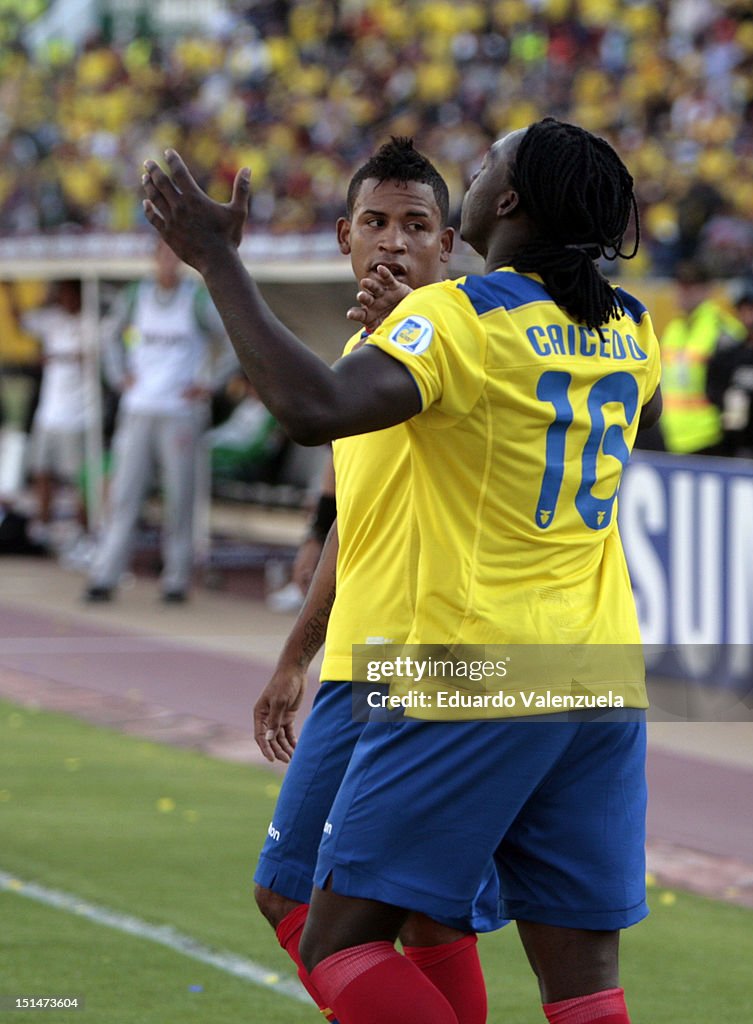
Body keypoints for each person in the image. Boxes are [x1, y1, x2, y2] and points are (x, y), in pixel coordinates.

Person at [142, 116, 662, 1024]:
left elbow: (310, 408)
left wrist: (219, 263)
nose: (477, 163)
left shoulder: (453, 320)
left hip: (463, 661)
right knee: (584, 984)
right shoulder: (634, 330)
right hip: (598, 672)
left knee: (339, 939)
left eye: (489, 158)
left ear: (502, 203)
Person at [253, 138, 501, 1024]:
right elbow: (352, 528)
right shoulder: (367, 355)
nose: (392, 242)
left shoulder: (470, 345)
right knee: (424, 917)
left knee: (303, 904)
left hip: (432, 667)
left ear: (450, 246)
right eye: (375, 222)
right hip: (365, 663)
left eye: (416, 225)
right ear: (343, 237)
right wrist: (294, 657)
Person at [83, 239, 235, 603]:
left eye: (174, 256)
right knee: (124, 494)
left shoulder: (196, 298)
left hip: (180, 412)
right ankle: (106, 573)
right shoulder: (137, 295)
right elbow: (108, 337)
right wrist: (119, 376)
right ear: (153, 259)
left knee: (180, 497)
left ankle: (176, 579)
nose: (168, 262)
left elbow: (231, 341)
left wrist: (208, 383)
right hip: (139, 408)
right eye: (162, 255)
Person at [19, 280, 89, 541]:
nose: (65, 299)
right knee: (41, 469)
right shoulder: (52, 319)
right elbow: (22, 322)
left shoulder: (91, 322)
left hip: (79, 415)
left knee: (79, 478)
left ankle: (84, 529)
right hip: (49, 412)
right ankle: (43, 523)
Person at [659, 259, 743, 455]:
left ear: (707, 289)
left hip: (710, 438)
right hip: (672, 436)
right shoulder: (674, 329)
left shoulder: (724, 331)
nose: (684, 292)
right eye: (680, 285)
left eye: (691, 286)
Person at [706, 278, 753, 459]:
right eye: (746, 309)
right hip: (733, 442)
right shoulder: (729, 355)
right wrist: (728, 399)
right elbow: (712, 387)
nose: (750, 316)